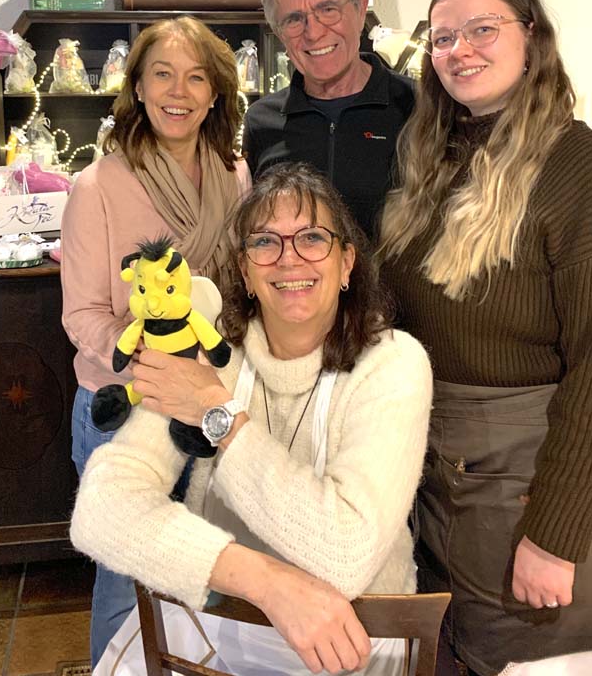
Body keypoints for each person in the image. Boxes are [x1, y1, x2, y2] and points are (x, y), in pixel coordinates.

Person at [70, 163, 433, 676]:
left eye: (312, 237)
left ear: (347, 263)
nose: (289, 258)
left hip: (355, 640)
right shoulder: (212, 356)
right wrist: (267, 583)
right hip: (223, 630)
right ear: (245, 271)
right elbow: (101, 507)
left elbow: (346, 554)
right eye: (265, 242)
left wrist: (216, 412)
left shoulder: (394, 365)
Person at [378, 0, 592, 676]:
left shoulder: (575, 164)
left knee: (520, 656)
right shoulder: (435, 157)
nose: (459, 50)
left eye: (482, 30)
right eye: (443, 38)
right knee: (459, 652)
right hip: (440, 470)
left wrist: (556, 534)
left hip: (524, 481)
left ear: (531, 38)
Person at [61, 16, 251, 667]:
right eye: (163, 74)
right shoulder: (99, 186)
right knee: (126, 584)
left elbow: (235, 293)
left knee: (207, 571)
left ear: (216, 93)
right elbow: (84, 316)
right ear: (137, 88)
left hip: (207, 405)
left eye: (196, 77)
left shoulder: (234, 175)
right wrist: (158, 365)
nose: (179, 91)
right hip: (125, 410)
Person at [242, 0, 415, 240]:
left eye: (328, 9)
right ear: (279, 32)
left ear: (361, 9)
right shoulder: (261, 122)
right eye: (294, 19)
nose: (314, 32)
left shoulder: (418, 107)